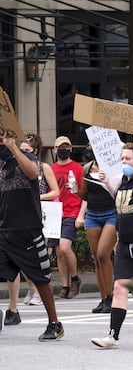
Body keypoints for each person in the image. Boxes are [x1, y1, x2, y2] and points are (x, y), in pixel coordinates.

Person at [91, 130, 133, 349]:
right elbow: (122, 202)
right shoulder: (123, 181)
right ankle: (112, 336)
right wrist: (108, 185)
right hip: (124, 246)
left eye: (128, 159)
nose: (123, 162)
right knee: (120, 287)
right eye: (122, 159)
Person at [0, 132, 64, 341]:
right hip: (3, 231)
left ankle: (54, 323)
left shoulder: (28, 160)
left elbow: (32, 174)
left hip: (27, 231)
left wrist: (13, 148)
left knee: (40, 278)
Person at [17, 134, 60, 308]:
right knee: (19, 255)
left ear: (35, 151)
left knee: (36, 255)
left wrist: (38, 197)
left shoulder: (44, 168)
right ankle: (32, 286)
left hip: (41, 213)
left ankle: (38, 291)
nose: (23, 154)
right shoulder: (16, 168)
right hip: (20, 214)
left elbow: (55, 191)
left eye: (26, 151)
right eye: (21, 151)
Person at [78, 144, 117, 313]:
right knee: (97, 258)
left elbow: (118, 191)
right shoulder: (86, 168)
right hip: (93, 214)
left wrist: (107, 179)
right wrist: (75, 190)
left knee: (103, 253)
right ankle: (103, 298)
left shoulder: (114, 167)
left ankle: (111, 296)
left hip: (111, 213)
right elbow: (84, 194)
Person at [51, 136, 85, 299]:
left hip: (72, 211)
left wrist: (81, 215)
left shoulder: (78, 168)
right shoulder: (50, 168)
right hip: (55, 212)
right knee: (58, 251)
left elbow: (85, 194)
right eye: (60, 147)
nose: (64, 149)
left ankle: (75, 278)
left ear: (71, 149)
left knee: (65, 247)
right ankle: (65, 286)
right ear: (55, 149)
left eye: (67, 146)